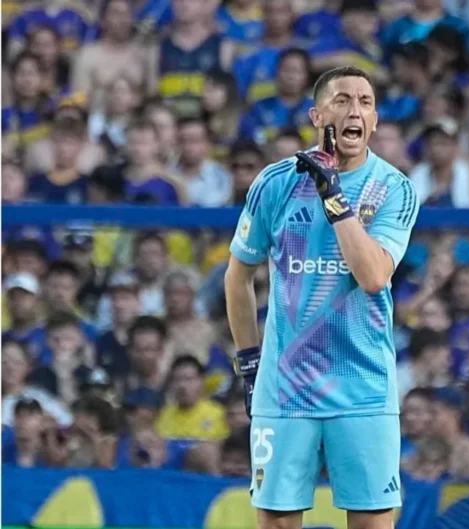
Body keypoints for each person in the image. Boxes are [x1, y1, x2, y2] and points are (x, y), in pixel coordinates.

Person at [225, 66, 419, 529]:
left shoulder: (395, 188)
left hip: (363, 388)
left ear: (374, 121)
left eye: (365, 103)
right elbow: (237, 276)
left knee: (373, 524)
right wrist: (250, 362)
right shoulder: (276, 183)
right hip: (285, 388)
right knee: (276, 522)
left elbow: (373, 277)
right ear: (317, 116)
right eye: (342, 100)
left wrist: (334, 197)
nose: (355, 111)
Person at [156, 355, 229, 441]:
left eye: (188, 379)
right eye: (177, 379)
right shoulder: (163, 416)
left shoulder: (219, 415)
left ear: (201, 381)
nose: (182, 385)